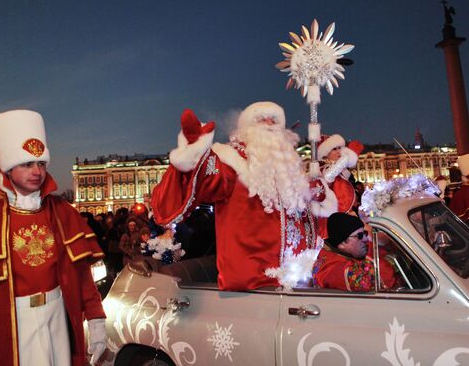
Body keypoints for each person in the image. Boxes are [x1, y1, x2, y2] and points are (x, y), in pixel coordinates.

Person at [0, 110, 106, 366]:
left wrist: (96, 319)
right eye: (27, 164)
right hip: (12, 324)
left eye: (41, 164)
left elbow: (81, 274)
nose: (37, 171)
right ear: (7, 168)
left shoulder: (63, 212)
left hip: (58, 315)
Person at [151, 102, 337, 290]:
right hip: (254, 286)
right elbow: (203, 178)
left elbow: (307, 208)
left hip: (300, 281)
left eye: (274, 121)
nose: (269, 124)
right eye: (261, 120)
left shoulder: (289, 168)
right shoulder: (231, 161)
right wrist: (194, 151)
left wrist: (316, 190)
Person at [312, 213, 396, 291]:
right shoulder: (333, 269)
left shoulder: (345, 251)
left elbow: (376, 251)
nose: (366, 239)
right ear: (342, 243)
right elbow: (372, 281)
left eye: (365, 233)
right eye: (359, 235)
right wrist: (392, 262)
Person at [317, 134, 363, 238]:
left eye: (339, 148)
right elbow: (328, 176)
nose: (339, 152)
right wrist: (347, 158)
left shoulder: (341, 170)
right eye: (334, 149)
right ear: (325, 153)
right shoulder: (324, 167)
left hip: (343, 215)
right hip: (332, 219)